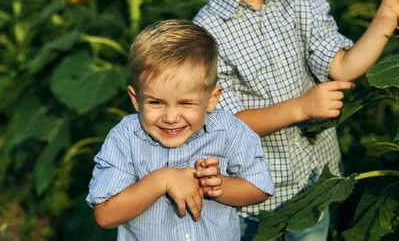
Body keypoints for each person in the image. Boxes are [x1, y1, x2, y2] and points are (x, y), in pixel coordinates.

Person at [184, 0, 399, 240]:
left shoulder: (299, 1)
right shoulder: (205, 38)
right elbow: (226, 125)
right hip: (250, 204)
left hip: (312, 187)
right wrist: (301, 108)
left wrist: (386, 15)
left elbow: (342, 66)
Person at [86, 19, 275, 241]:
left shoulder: (228, 131)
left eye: (186, 103)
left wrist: (217, 186)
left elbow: (260, 188)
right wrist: (161, 180)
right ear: (136, 100)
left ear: (212, 99)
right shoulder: (126, 137)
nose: (171, 118)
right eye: (156, 103)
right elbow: (106, 215)